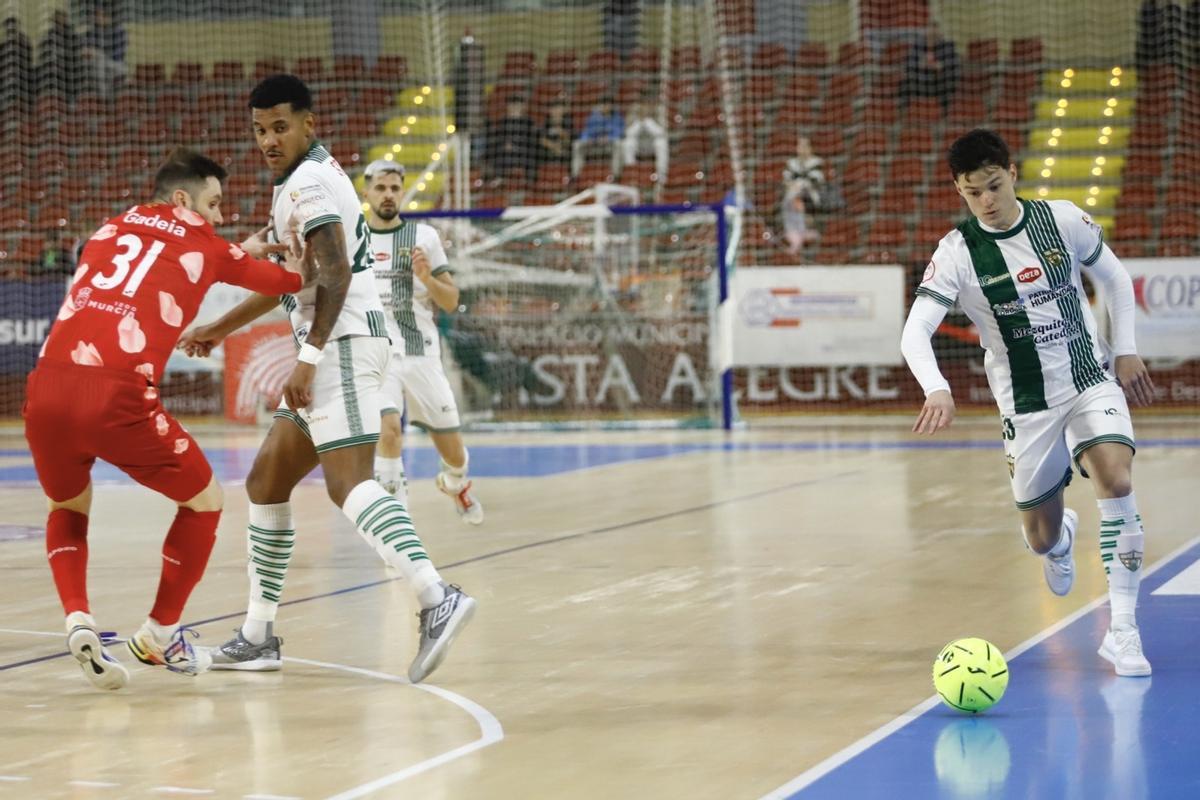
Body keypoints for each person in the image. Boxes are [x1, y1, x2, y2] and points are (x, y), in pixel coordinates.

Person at [178, 75, 475, 683]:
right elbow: (298, 281)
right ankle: (259, 635)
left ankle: (434, 593)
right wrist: (219, 327)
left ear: (308, 125)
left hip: (341, 345)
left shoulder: (309, 183)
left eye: (280, 126)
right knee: (265, 482)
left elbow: (334, 274)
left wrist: (308, 358)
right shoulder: (302, 180)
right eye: (259, 129)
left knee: (348, 486)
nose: (268, 139)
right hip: (342, 339)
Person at [22, 149, 306, 690]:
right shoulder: (202, 242)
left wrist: (227, 251)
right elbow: (285, 283)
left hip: (47, 387)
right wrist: (307, 260)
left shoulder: (108, 228)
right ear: (182, 199)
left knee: (66, 505)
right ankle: (159, 633)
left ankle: (78, 617)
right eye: (214, 203)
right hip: (116, 395)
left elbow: (166, 261)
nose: (219, 217)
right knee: (205, 501)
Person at [901, 129, 1155, 677]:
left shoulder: (1061, 219)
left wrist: (1127, 350)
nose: (987, 201)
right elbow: (914, 334)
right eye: (973, 193)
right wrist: (936, 387)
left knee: (1118, 481)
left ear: (1012, 173)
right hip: (1025, 403)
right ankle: (1059, 537)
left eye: (993, 186)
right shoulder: (957, 253)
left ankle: (1124, 631)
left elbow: (1113, 276)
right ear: (960, 191)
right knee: (1039, 538)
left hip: (1089, 375)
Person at [362, 159, 483, 525]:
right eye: (380, 188)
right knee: (389, 432)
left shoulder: (424, 237)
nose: (388, 195)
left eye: (394, 188)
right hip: (375, 356)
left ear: (402, 192)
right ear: (366, 192)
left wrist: (427, 278)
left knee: (453, 451)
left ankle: (454, 482)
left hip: (421, 355)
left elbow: (450, 300)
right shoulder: (352, 237)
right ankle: (395, 530)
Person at [900, 22, 960, 112]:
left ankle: (945, 116)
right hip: (920, 83)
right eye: (930, 29)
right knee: (905, 83)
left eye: (935, 29)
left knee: (948, 83)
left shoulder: (948, 46)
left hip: (940, 82)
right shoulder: (917, 46)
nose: (932, 32)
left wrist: (941, 65)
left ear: (940, 32)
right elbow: (908, 63)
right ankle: (903, 113)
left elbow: (955, 62)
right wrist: (920, 65)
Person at [780, 136, 824, 254]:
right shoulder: (791, 163)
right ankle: (794, 234)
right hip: (793, 198)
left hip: (810, 197)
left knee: (796, 196)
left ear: (811, 148)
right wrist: (796, 184)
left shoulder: (817, 162)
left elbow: (816, 180)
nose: (802, 149)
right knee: (791, 198)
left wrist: (799, 184)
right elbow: (786, 180)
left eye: (805, 146)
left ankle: (801, 233)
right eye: (800, 146)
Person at [483, 93, 535, 182]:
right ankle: (498, 179)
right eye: (511, 104)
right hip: (505, 152)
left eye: (517, 104)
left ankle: (527, 180)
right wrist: (505, 144)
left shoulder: (528, 122)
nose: (514, 107)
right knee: (494, 152)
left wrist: (515, 146)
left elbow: (531, 140)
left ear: (522, 107)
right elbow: (499, 137)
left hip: (522, 152)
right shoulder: (503, 122)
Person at [571, 95, 624, 177]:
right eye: (603, 104)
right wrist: (589, 139)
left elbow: (619, 132)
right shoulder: (593, 117)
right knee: (577, 145)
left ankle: (616, 174)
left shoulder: (617, 117)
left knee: (618, 144)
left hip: (609, 146)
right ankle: (575, 175)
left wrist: (608, 138)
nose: (606, 107)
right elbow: (585, 132)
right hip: (593, 145)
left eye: (608, 104)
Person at [81, 3, 128, 96]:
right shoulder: (92, 32)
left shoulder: (118, 31)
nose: (98, 18)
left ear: (108, 17)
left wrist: (99, 53)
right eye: (97, 15)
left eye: (101, 15)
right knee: (93, 63)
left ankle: (103, 96)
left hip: (116, 64)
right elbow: (85, 47)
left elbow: (118, 54)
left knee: (100, 60)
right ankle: (85, 94)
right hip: (95, 65)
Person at [37, 9, 83, 99]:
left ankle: (71, 99)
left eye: (61, 18)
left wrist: (64, 56)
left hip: (70, 64)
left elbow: (76, 50)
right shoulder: (49, 34)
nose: (59, 20)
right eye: (57, 18)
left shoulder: (72, 34)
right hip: (53, 64)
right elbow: (43, 50)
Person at [620, 97, 668, 178]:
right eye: (643, 105)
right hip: (639, 147)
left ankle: (662, 174)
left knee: (661, 142)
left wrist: (648, 122)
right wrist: (639, 123)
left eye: (647, 105)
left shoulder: (659, 112)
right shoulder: (633, 113)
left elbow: (662, 133)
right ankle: (631, 171)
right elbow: (627, 133)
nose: (645, 108)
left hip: (652, 147)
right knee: (627, 143)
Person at [0, 16, 33, 113]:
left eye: (12, 26)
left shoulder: (24, 43)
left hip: (21, 78)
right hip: (6, 78)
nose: (9, 29)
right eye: (8, 27)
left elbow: (28, 61)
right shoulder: (3, 46)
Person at [538, 98, 574, 171]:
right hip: (549, 151)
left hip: (564, 151)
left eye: (559, 109)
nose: (556, 111)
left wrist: (562, 134)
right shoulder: (547, 122)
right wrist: (554, 147)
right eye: (554, 109)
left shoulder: (568, 122)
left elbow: (569, 140)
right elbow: (542, 139)